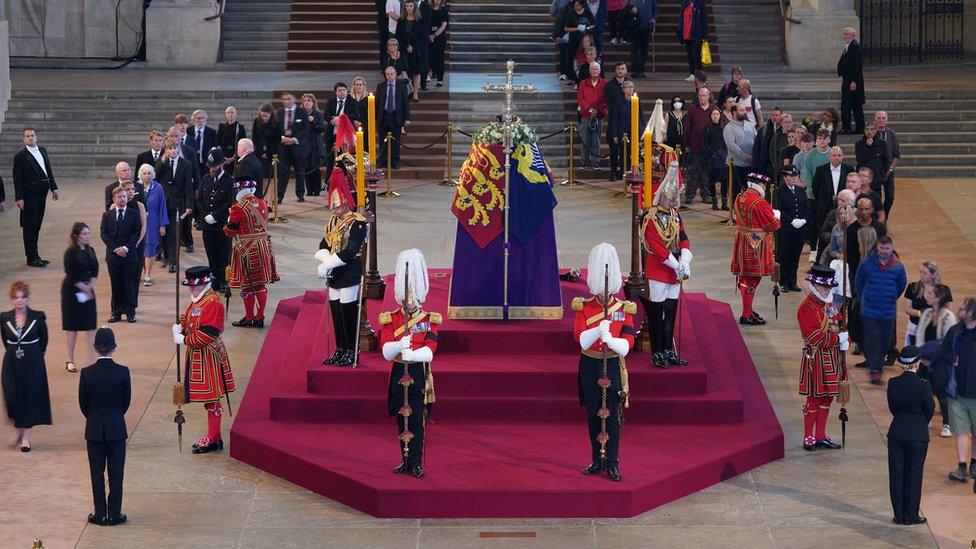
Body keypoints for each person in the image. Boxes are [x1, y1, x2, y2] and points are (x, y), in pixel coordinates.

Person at [573, 243, 635, 482]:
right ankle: (596, 459)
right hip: (590, 366)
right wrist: (599, 331)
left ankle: (612, 462)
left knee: (613, 416)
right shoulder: (584, 306)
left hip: (613, 365)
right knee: (592, 414)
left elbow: (627, 344)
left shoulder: (623, 308)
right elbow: (580, 339)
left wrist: (613, 339)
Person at [379, 248, 440, 478]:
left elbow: (431, 349)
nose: (409, 301)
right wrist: (398, 346)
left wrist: (413, 354)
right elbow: (385, 350)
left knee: (416, 420)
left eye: (413, 297)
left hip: (417, 371)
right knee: (400, 419)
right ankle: (404, 460)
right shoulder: (391, 318)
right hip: (398, 372)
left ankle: (416, 461)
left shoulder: (428, 319)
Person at [173, 266, 236, 454]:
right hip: (198, 356)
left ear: (206, 283)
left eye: (195, 287)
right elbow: (189, 318)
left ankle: (213, 438)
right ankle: (214, 437)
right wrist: (180, 326)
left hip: (209, 355)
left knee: (213, 398)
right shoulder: (198, 300)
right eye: (190, 287)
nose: (192, 290)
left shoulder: (213, 303)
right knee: (210, 399)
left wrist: (184, 339)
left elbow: (208, 335)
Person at [78, 327, 130, 527]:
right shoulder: (123, 372)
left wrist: (94, 418)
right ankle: (115, 513)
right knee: (116, 472)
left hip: (94, 429)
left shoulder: (87, 374)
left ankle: (100, 513)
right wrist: (115, 416)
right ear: (114, 348)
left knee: (96, 472)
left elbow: (84, 404)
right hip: (117, 428)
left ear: (95, 348)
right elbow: (125, 402)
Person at [641, 162, 692, 368]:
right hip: (659, 270)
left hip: (674, 269)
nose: (673, 202)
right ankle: (657, 351)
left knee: (671, 312)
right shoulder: (650, 219)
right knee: (656, 314)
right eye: (670, 199)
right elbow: (658, 249)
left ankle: (668, 349)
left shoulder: (675, 216)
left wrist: (686, 260)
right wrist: (677, 265)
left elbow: (684, 238)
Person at [316, 170, 368, 366]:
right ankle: (339, 348)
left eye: (336, 206)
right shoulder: (332, 222)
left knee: (348, 313)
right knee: (336, 313)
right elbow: (323, 244)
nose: (333, 210)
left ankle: (351, 351)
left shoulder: (357, 223)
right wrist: (325, 261)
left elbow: (350, 250)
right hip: (335, 272)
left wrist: (327, 264)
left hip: (349, 271)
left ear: (346, 202)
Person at [797, 265, 848, 451]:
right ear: (815, 285)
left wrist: (845, 337)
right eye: (824, 287)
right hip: (816, 358)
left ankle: (820, 435)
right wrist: (837, 338)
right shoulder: (806, 307)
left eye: (829, 287)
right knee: (814, 398)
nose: (828, 290)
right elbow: (813, 336)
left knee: (827, 398)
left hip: (833, 357)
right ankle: (808, 435)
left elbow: (840, 322)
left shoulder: (830, 303)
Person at [930, 298, 976, 489]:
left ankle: (974, 463)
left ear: (972, 313)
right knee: (961, 431)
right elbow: (942, 352)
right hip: (957, 391)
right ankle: (962, 467)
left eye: (963, 309)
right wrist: (951, 359)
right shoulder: (955, 331)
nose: (959, 310)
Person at [1, 281, 52, 452]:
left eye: (22, 298)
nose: (19, 301)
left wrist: (36, 354)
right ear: (12, 299)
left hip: (33, 361)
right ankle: (18, 430)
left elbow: (44, 340)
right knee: (12, 395)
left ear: (27, 298)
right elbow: (5, 340)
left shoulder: (37, 317)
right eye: (16, 298)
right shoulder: (5, 318)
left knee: (28, 397)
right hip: (12, 361)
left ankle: (25, 438)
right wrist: (14, 352)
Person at [886, 345, 933, 526]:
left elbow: (893, 408)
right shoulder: (924, 385)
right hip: (917, 435)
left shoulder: (893, 383)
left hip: (897, 433)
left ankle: (899, 514)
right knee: (914, 474)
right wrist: (919, 422)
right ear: (917, 363)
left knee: (897, 474)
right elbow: (929, 410)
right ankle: (912, 514)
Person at [224, 179, 279, 329]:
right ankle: (259, 317)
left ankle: (249, 317)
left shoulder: (237, 207)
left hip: (247, 249)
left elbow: (230, 231)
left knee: (248, 286)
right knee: (260, 284)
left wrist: (226, 225)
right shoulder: (262, 203)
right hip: (263, 246)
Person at [855, 236, 907, 385]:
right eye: (882, 248)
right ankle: (875, 370)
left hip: (888, 311)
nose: (884, 251)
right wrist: (865, 298)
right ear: (877, 247)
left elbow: (901, 285)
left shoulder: (898, 267)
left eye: (887, 248)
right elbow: (859, 283)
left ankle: (877, 364)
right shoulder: (866, 264)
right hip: (869, 311)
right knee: (873, 340)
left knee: (885, 340)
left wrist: (890, 297)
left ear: (892, 248)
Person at [731, 172, 781, 325]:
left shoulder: (740, 196)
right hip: (755, 244)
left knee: (746, 276)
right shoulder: (759, 202)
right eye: (763, 185)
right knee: (752, 278)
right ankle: (746, 313)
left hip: (742, 241)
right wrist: (776, 216)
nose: (764, 187)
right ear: (759, 185)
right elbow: (773, 225)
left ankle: (748, 309)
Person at [13, 128, 60, 268]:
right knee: (30, 226)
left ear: (36, 137)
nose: (30, 138)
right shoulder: (20, 156)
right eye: (27, 136)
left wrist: (54, 188)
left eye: (32, 136)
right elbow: (17, 179)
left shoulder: (43, 150)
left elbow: (48, 170)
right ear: (24, 139)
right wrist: (19, 197)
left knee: (37, 225)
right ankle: (31, 258)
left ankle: (36, 255)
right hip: (29, 195)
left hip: (42, 193)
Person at [916, 284, 957, 438]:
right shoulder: (926, 313)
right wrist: (921, 356)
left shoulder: (948, 316)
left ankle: (947, 423)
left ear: (938, 298)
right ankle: (927, 418)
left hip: (940, 361)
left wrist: (935, 358)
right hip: (924, 360)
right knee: (923, 391)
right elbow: (919, 336)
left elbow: (949, 342)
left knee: (942, 392)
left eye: (930, 293)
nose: (927, 295)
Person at [101, 186, 143, 324]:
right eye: (119, 197)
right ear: (114, 199)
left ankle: (131, 313)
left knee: (129, 285)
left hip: (129, 255)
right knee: (116, 284)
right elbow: (104, 234)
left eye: (124, 196)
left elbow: (136, 233)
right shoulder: (107, 215)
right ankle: (116, 313)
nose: (122, 199)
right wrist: (115, 249)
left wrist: (125, 248)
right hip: (113, 257)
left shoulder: (134, 214)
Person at [61, 223, 99, 373]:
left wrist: (90, 286)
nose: (87, 236)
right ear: (76, 236)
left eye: (88, 233)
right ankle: (70, 359)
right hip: (72, 292)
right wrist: (85, 288)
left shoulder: (91, 251)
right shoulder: (70, 253)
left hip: (88, 290)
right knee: (72, 327)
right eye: (84, 234)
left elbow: (95, 270)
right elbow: (72, 274)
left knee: (90, 326)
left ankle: (92, 359)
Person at [197, 148, 234, 293]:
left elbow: (229, 203)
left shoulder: (229, 181)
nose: (212, 168)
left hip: (222, 225)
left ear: (222, 164)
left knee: (223, 254)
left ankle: (224, 280)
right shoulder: (206, 179)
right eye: (211, 166)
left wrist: (216, 215)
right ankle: (214, 279)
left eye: (215, 166)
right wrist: (206, 214)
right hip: (207, 225)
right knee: (211, 253)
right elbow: (199, 199)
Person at [155, 138, 195, 272]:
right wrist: (162, 160)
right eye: (169, 148)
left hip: (178, 203)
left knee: (174, 233)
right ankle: (166, 256)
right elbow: (154, 175)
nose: (172, 151)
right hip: (163, 203)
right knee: (164, 233)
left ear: (178, 149)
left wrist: (189, 205)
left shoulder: (186, 164)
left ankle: (173, 261)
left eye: (174, 148)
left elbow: (188, 186)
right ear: (165, 150)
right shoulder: (162, 163)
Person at [811, 146, 853, 260]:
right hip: (824, 209)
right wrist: (823, 202)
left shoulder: (849, 169)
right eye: (834, 155)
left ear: (843, 157)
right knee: (823, 237)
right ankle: (819, 265)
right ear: (829, 157)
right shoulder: (821, 170)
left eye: (839, 155)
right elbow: (815, 188)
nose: (836, 158)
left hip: (843, 209)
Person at [775, 165, 809, 293]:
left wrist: (804, 220)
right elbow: (779, 210)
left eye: (795, 176)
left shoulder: (801, 191)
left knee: (795, 256)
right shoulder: (780, 192)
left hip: (799, 229)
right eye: (790, 176)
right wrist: (791, 221)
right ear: (784, 177)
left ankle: (792, 281)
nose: (793, 178)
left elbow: (807, 208)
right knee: (784, 256)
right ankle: (783, 281)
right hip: (786, 230)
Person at [274, 91, 311, 203]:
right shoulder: (279, 113)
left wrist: (294, 140)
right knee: (283, 173)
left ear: (294, 99)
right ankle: (279, 196)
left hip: (298, 148)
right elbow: (275, 128)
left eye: (289, 99)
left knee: (299, 172)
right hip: (283, 148)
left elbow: (306, 128)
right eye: (284, 99)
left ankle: (300, 194)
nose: (287, 101)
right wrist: (282, 138)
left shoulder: (301, 112)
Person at [903, 261, 952, 346]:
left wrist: (932, 316)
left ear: (934, 275)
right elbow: (907, 309)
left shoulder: (944, 290)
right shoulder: (913, 287)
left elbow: (947, 312)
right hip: (914, 329)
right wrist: (920, 313)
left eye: (925, 273)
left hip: (935, 331)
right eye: (920, 272)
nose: (921, 275)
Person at [136, 164, 168, 287]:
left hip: (153, 223)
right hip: (138, 223)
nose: (147, 176)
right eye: (144, 173)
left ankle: (148, 275)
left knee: (150, 249)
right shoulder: (136, 187)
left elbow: (162, 207)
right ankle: (139, 273)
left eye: (149, 173)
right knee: (139, 248)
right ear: (140, 175)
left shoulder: (158, 187)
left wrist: (162, 225)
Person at [376, 66, 411, 170]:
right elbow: (377, 103)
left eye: (391, 74)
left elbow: (406, 103)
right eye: (387, 74)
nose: (389, 76)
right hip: (384, 116)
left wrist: (407, 118)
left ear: (395, 75)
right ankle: (382, 161)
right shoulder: (380, 86)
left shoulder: (402, 87)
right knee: (383, 141)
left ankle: (394, 161)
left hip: (396, 116)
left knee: (395, 141)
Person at [684, 86, 715, 205]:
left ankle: (706, 195)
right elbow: (687, 128)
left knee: (706, 173)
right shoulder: (693, 110)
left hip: (708, 147)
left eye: (704, 96)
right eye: (700, 96)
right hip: (695, 145)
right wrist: (687, 144)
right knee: (693, 172)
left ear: (708, 96)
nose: (702, 98)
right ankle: (689, 195)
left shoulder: (713, 109)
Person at [608, 80, 643, 182]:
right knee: (624, 154)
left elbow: (640, 116)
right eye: (627, 88)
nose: (630, 89)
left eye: (631, 87)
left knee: (635, 153)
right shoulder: (619, 101)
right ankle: (625, 174)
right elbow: (615, 119)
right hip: (623, 133)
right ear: (623, 90)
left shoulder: (636, 100)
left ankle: (635, 173)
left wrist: (642, 130)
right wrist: (614, 134)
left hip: (635, 131)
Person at [397, 0, 429, 103]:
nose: (409, 8)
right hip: (404, 49)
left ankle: (415, 93)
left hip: (416, 50)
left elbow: (423, 36)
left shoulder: (419, 20)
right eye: (407, 6)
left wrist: (413, 47)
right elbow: (398, 35)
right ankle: (405, 93)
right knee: (405, 72)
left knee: (416, 72)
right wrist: (406, 46)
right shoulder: (401, 20)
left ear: (414, 7)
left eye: (411, 6)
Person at [577, 62, 607, 169]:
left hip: (598, 115)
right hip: (586, 114)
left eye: (596, 69)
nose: (594, 71)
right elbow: (580, 98)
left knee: (596, 139)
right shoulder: (583, 83)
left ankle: (595, 161)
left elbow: (605, 100)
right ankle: (583, 161)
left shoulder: (604, 83)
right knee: (585, 138)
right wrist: (589, 109)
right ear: (590, 71)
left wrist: (596, 110)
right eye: (593, 69)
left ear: (599, 71)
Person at [723, 103, 756, 197]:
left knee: (750, 191)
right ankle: (735, 210)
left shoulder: (750, 125)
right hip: (735, 166)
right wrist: (746, 157)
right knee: (736, 192)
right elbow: (732, 146)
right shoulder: (729, 128)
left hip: (750, 165)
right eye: (741, 110)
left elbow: (756, 140)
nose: (744, 112)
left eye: (744, 110)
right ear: (734, 113)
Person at [324, 84, 359, 173]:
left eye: (344, 90)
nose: (342, 92)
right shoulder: (331, 101)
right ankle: (329, 182)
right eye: (340, 90)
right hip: (332, 134)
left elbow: (355, 115)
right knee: (330, 161)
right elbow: (326, 115)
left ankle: (346, 182)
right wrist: (333, 119)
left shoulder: (352, 101)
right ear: (336, 92)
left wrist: (340, 118)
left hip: (346, 136)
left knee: (346, 160)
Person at [837, 27, 865, 134]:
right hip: (848, 80)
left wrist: (854, 81)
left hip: (852, 81)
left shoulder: (855, 46)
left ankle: (847, 128)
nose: (845, 36)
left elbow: (858, 66)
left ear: (852, 36)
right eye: (844, 34)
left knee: (848, 104)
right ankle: (857, 127)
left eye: (847, 35)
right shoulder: (849, 46)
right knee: (852, 104)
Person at [874, 111, 900, 219]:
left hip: (888, 169)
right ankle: (877, 219)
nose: (881, 120)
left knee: (890, 197)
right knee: (876, 198)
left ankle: (883, 216)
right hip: (875, 170)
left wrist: (891, 169)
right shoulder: (872, 134)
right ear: (876, 120)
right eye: (879, 118)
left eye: (883, 118)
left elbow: (896, 155)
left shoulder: (892, 135)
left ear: (886, 120)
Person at [300, 93, 328, 197]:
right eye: (305, 101)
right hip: (304, 144)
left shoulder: (317, 114)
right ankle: (309, 189)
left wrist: (313, 121)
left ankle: (316, 189)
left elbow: (321, 128)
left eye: (309, 101)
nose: (306, 102)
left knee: (314, 167)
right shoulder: (300, 114)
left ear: (313, 103)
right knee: (306, 168)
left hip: (315, 144)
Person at [676, 0, 708, 82]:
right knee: (690, 55)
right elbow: (681, 19)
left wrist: (705, 35)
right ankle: (692, 73)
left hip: (697, 35)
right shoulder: (685, 4)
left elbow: (704, 20)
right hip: (687, 34)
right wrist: (680, 34)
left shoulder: (700, 4)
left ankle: (698, 75)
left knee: (696, 56)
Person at [703, 107, 727, 210]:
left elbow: (726, 142)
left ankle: (724, 203)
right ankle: (714, 202)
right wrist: (712, 155)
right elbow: (705, 144)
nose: (715, 116)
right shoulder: (707, 128)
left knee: (725, 180)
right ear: (710, 116)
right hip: (712, 157)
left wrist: (724, 154)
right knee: (712, 181)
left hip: (723, 157)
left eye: (717, 114)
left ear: (720, 115)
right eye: (713, 114)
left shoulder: (724, 128)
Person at [250, 104, 277, 196]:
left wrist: (268, 153)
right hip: (259, 154)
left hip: (272, 154)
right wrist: (261, 152)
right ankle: (262, 199)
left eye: (266, 116)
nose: (264, 118)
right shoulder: (256, 122)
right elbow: (255, 138)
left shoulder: (276, 123)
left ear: (270, 114)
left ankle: (270, 202)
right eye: (262, 116)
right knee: (262, 178)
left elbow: (277, 140)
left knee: (271, 178)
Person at [628, 0, 657, 78]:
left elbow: (655, 10)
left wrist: (654, 18)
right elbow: (625, 9)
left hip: (646, 27)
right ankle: (634, 70)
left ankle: (641, 70)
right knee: (635, 49)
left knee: (644, 49)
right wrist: (631, 11)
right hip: (635, 27)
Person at [190, 110, 219, 176]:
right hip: (192, 163)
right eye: (198, 118)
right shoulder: (189, 131)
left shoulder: (211, 132)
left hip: (206, 164)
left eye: (203, 118)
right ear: (193, 120)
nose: (201, 120)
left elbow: (215, 148)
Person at [428, 0, 449, 87]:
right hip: (428, 37)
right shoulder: (428, 9)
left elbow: (443, 25)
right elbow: (425, 23)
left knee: (439, 58)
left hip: (439, 37)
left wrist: (434, 35)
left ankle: (439, 80)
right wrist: (429, 36)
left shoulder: (444, 11)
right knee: (429, 57)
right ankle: (429, 75)